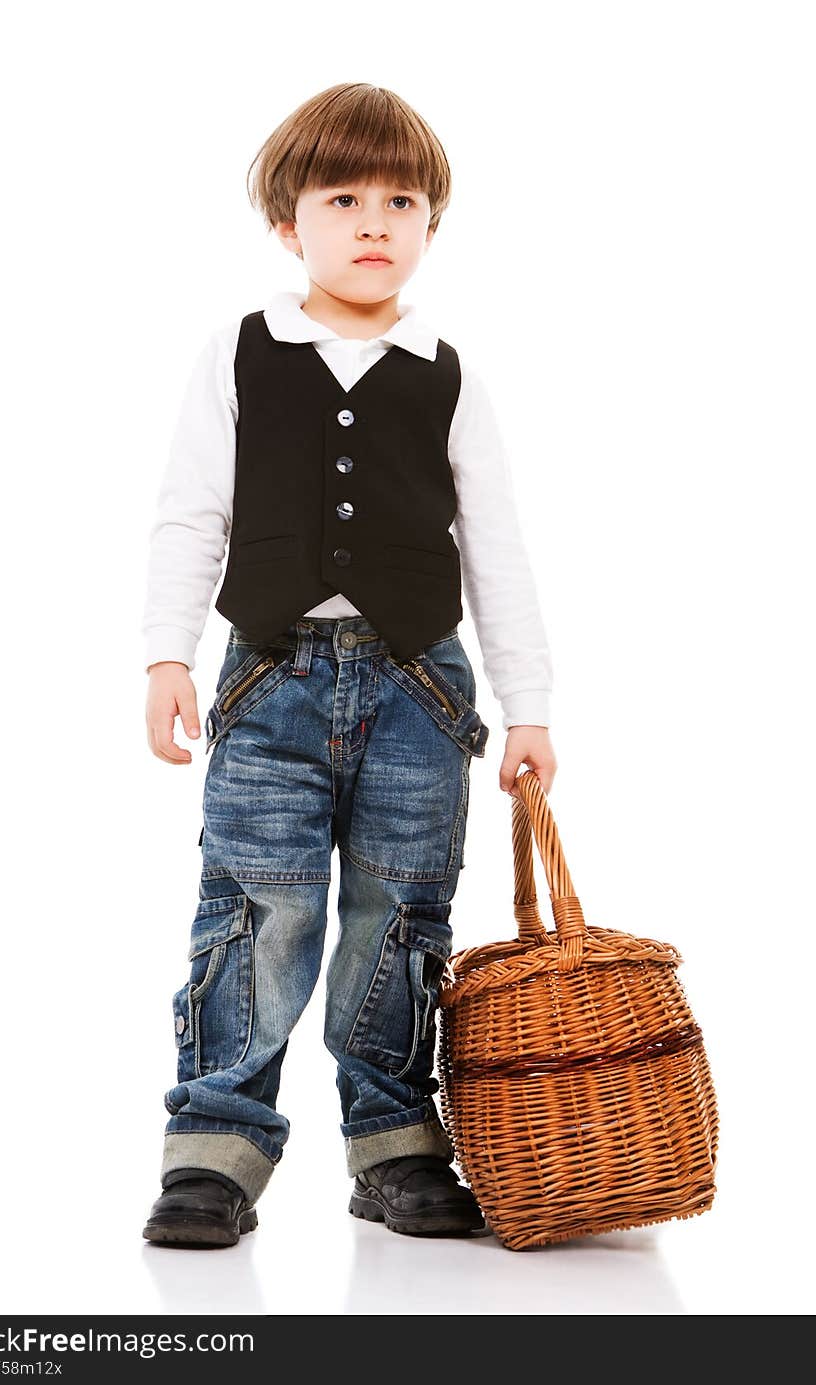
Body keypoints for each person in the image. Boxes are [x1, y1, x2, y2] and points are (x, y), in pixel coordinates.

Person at [140, 82, 557, 1249]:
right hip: (267, 677)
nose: (374, 221)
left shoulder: (445, 371)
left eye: (401, 199)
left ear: (430, 223)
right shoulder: (242, 351)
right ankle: (214, 1143)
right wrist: (167, 654)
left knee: (401, 916)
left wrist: (528, 705)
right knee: (257, 909)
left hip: (420, 688)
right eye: (343, 198)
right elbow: (190, 513)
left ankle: (394, 1141)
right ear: (289, 225)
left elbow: (497, 545)